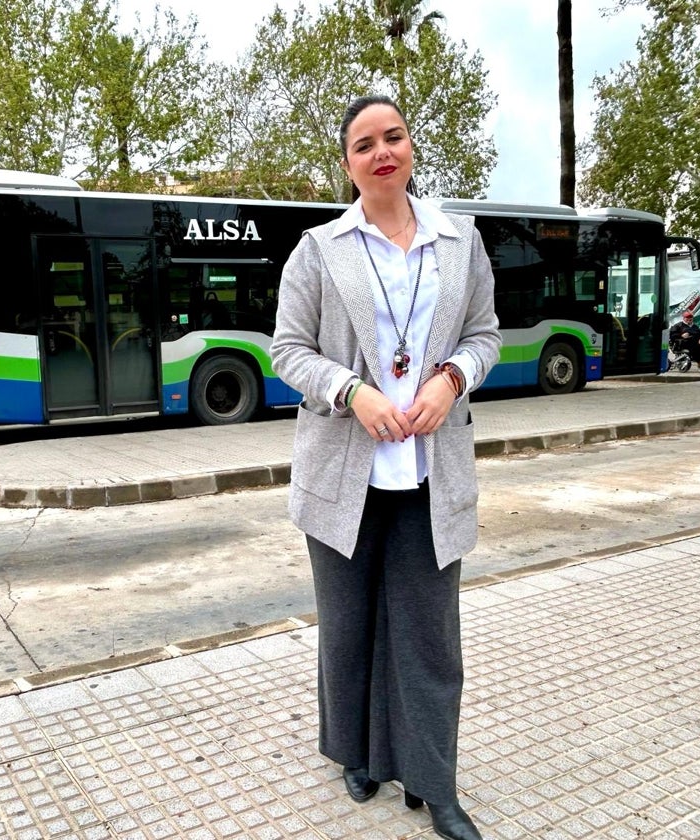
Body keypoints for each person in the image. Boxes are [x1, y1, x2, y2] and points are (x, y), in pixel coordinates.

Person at [270, 95, 501, 840]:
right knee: (348, 625)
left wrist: (452, 378)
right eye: (364, 144)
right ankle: (356, 752)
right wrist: (352, 390)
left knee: (430, 637)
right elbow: (287, 351)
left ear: (410, 147)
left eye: (393, 137)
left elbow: (486, 334)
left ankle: (435, 784)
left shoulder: (459, 242)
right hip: (344, 473)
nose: (382, 152)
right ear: (348, 163)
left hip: (430, 476)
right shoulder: (318, 249)